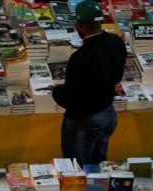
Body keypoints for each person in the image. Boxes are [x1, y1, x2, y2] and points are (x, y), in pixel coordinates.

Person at [52, 0, 127, 166]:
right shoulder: (115, 42)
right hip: (107, 113)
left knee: (77, 167)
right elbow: (117, 77)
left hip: (84, 120)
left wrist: (56, 92)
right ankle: (98, 190)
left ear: (80, 25)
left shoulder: (81, 57)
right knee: (98, 163)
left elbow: (71, 99)